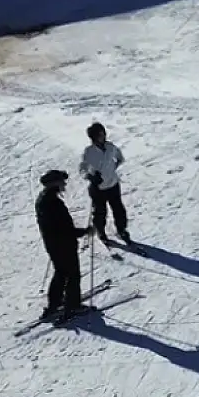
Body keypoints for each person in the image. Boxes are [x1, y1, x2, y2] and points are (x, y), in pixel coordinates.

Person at [35, 169, 91, 322]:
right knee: (72, 275)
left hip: (53, 245)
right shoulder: (53, 203)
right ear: (54, 183)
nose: (64, 184)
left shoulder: (43, 199)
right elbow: (64, 229)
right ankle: (73, 305)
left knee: (60, 273)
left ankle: (55, 303)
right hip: (63, 245)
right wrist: (84, 232)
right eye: (61, 181)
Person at [79, 122, 128, 244]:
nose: (103, 136)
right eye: (100, 134)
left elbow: (120, 158)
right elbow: (82, 169)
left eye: (104, 133)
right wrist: (90, 177)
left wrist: (112, 170)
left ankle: (121, 230)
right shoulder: (89, 152)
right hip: (98, 188)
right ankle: (101, 231)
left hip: (113, 185)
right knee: (100, 213)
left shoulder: (111, 147)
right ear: (94, 137)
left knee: (119, 210)